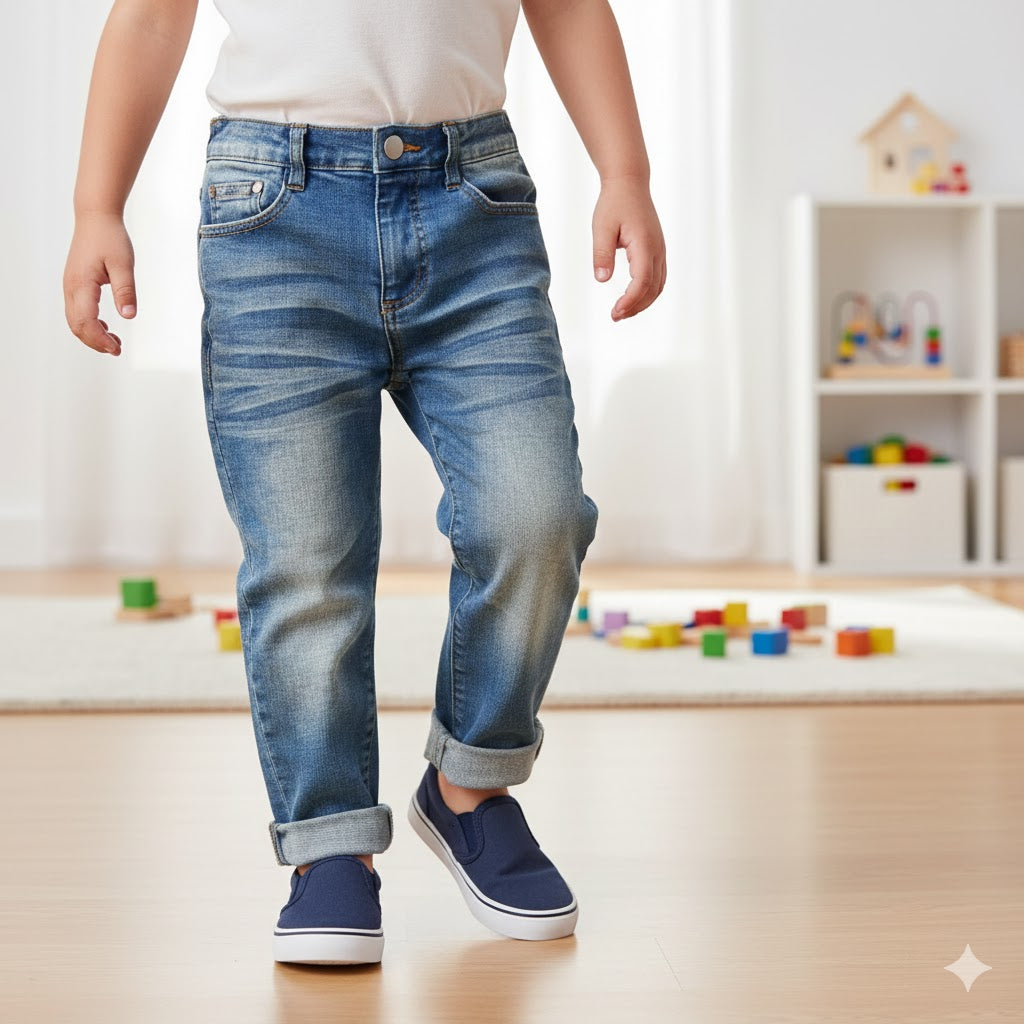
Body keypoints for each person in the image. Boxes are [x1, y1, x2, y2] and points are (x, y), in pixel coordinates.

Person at [63, 0, 667, 966]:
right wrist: (99, 207)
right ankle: (329, 845)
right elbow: (146, 19)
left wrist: (624, 172)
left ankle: (470, 783)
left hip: (474, 203)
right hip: (274, 215)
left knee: (535, 510)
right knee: (308, 557)